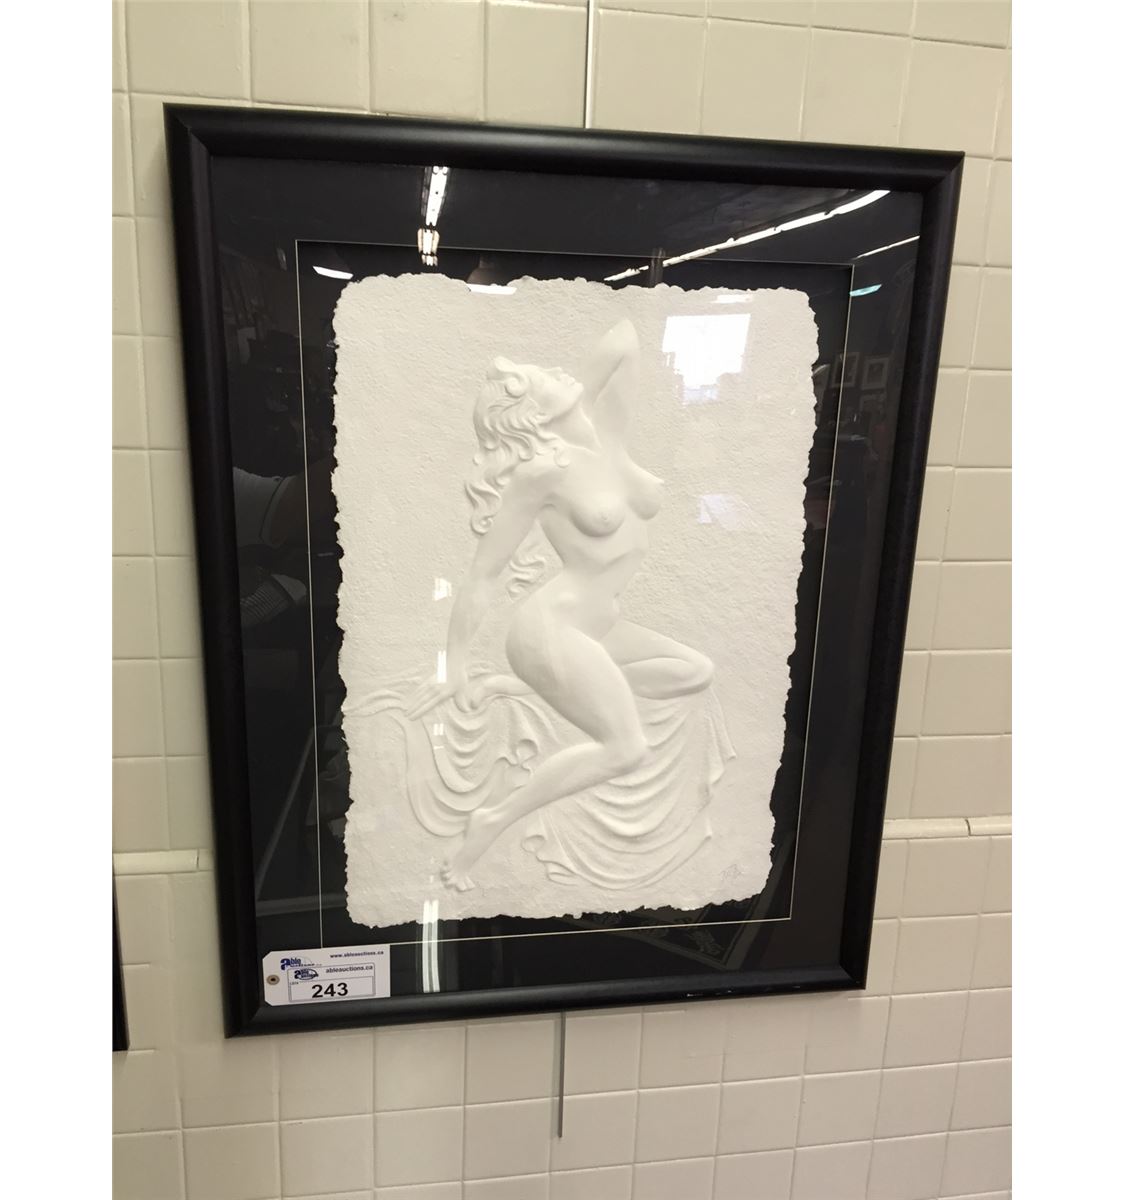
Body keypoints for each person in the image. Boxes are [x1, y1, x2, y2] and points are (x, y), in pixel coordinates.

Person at [405, 318, 714, 890]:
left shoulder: (606, 439)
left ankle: (531, 686)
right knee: (625, 749)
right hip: (552, 627)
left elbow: (624, 337)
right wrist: (453, 664)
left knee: (695, 671)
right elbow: (483, 574)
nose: (553, 372)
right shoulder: (540, 474)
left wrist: (563, 395)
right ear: (530, 414)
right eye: (537, 378)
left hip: (600, 624)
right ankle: (491, 821)